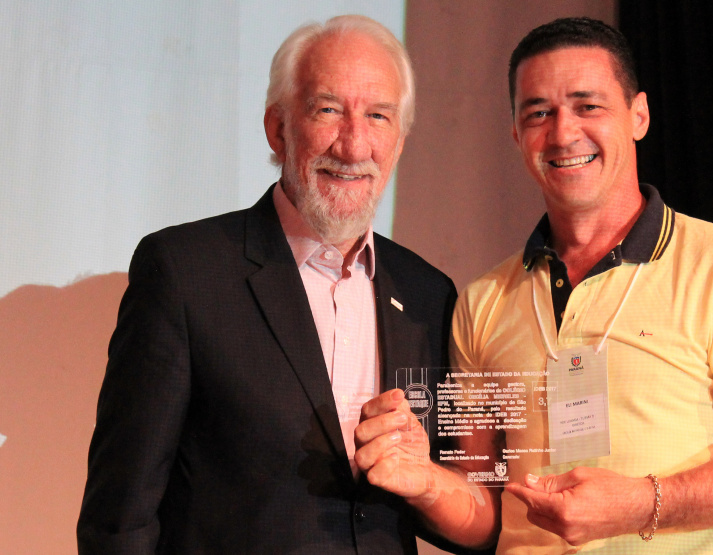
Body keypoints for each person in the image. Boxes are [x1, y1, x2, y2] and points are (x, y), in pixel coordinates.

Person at [355, 16, 713, 555]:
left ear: (638, 115)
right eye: (539, 113)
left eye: (588, 106)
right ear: (516, 134)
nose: (563, 133)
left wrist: (641, 503)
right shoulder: (482, 302)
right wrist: (426, 481)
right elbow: (489, 511)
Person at [76, 15, 457, 554]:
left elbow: (455, 502)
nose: (354, 145)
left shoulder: (427, 295)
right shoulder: (184, 273)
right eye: (328, 110)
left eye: (378, 116)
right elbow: (120, 518)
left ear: (399, 141)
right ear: (278, 128)